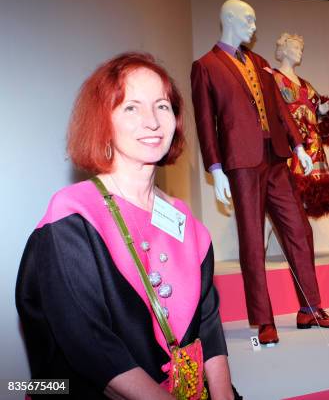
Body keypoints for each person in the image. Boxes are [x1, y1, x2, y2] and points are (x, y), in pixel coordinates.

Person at [15, 53, 239, 399]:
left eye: (162, 106)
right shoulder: (71, 217)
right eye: (131, 107)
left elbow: (207, 322)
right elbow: (90, 345)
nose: (152, 121)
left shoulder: (185, 220)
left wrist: (224, 396)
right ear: (103, 121)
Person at [190, 0, 329, 346]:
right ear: (228, 19)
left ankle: (310, 308)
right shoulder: (205, 66)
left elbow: (280, 109)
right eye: (248, 19)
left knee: (299, 229)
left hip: (276, 159)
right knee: (251, 239)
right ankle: (263, 319)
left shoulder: (261, 63)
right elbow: (205, 122)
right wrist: (215, 169)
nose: (254, 26)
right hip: (241, 162)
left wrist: (297, 148)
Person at [273, 32, 329, 218]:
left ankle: (296, 238)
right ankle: (271, 235)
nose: (300, 52)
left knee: (305, 192)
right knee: (287, 189)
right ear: (283, 50)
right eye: (296, 47)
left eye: (301, 49)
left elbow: (312, 109)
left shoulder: (305, 84)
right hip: (289, 140)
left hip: (311, 144)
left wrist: (321, 110)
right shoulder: (273, 78)